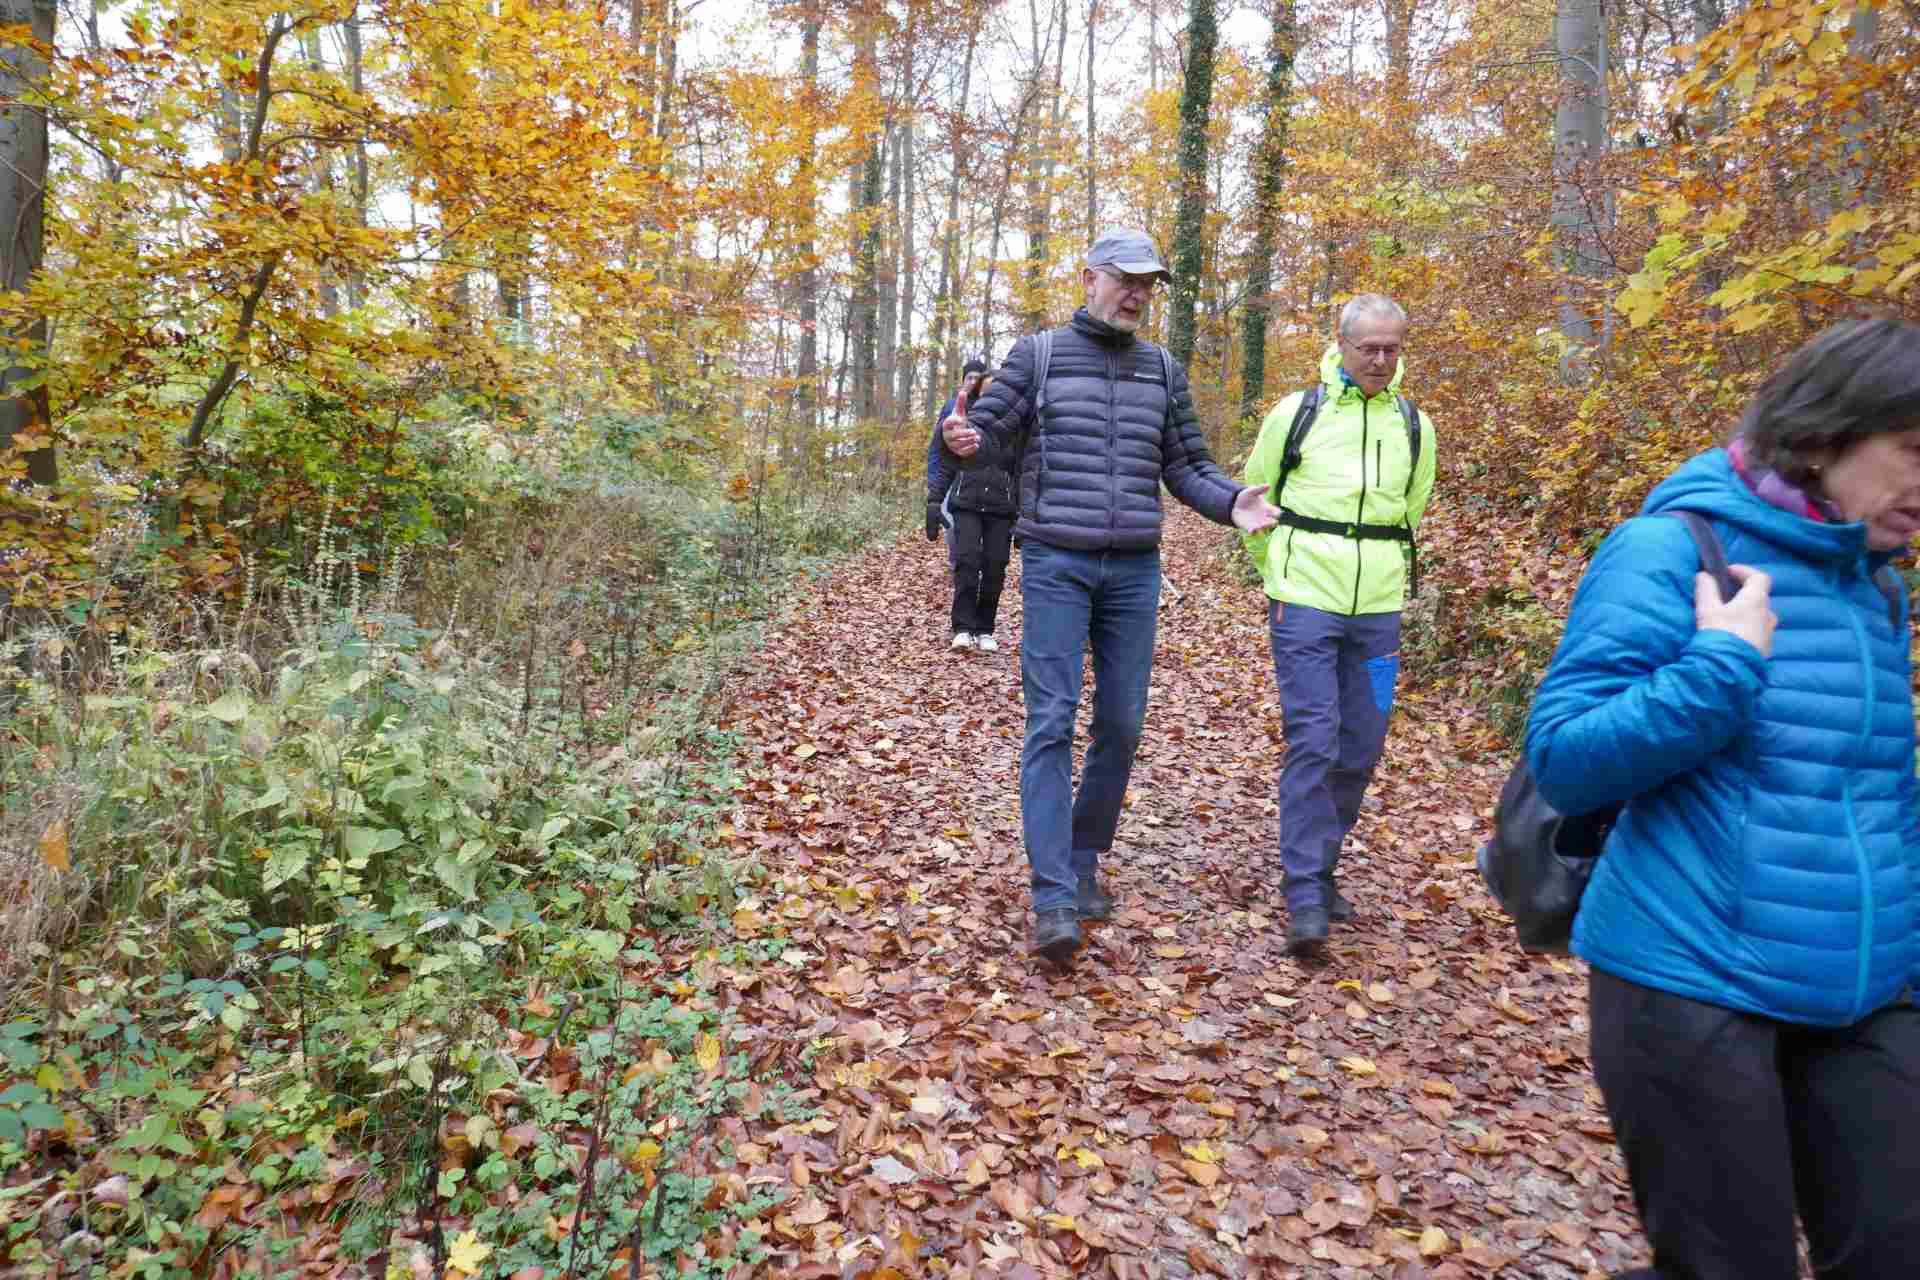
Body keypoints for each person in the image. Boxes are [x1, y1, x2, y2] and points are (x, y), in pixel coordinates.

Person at [1525, 316, 1920, 1280]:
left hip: (1867, 987)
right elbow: (1566, 759)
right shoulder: (1670, 548)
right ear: (1824, 437)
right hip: (1689, 974)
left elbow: (1881, 788)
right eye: (1913, 452)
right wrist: (1721, 666)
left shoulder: (1875, 586)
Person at [943, 228, 1280, 968]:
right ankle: (1053, 896)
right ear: (1089, 277)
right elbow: (985, 433)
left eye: (1147, 283)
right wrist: (960, 438)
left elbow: (1186, 466)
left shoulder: (1162, 369)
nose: (1135, 293)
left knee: (1122, 725)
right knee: (1051, 721)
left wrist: (1231, 503)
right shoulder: (1037, 355)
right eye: (1125, 278)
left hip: (1133, 570)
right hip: (1055, 561)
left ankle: (1084, 855)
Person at [1240, 294, 1436, 956]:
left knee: (1363, 744)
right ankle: (1306, 891)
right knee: (1315, 739)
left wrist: (1383, 577)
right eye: (1368, 348)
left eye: (1391, 349)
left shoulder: (1413, 426)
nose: (1380, 360)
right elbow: (1255, 503)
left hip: (1378, 614)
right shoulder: (1297, 414)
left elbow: (1411, 512)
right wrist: (1280, 576)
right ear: (1342, 344)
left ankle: (1321, 862)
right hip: (1305, 605)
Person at [926, 358, 1014, 651]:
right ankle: (962, 627)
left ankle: (985, 628)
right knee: (967, 562)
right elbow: (945, 463)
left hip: (1002, 507)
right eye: (985, 390)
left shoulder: (1015, 425)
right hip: (966, 503)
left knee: (995, 567)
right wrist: (934, 499)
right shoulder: (964, 422)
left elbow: (1025, 469)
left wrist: (1026, 514)